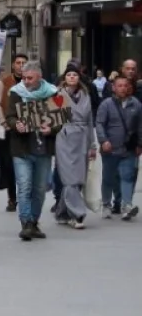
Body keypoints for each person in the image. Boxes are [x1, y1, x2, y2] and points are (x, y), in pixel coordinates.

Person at [5, 60, 64, 240]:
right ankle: (26, 223)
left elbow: (60, 119)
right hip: (22, 148)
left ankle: (34, 221)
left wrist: (51, 129)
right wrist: (16, 124)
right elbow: (10, 117)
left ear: (40, 77)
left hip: (43, 149)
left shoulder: (53, 93)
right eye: (24, 78)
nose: (26, 81)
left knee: (39, 188)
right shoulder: (16, 92)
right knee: (24, 186)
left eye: (30, 78)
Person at [52, 66, 96, 229]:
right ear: (64, 78)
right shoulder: (57, 94)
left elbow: (90, 120)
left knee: (78, 178)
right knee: (70, 178)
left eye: (75, 75)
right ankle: (77, 214)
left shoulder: (85, 95)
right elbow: (51, 118)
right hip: (65, 137)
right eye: (69, 74)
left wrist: (92, 144)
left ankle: (62, 213)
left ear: (79, 78)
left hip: (83, 138)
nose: (71, 77)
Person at [96, 74, 142, 221]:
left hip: (128, 148)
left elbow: (140, 126)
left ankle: (126, 205)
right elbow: (100, 123)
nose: (123, 88)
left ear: (129, 87)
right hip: (110, 148)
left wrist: (140, 144)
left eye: (125, 85)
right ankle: (106, 204)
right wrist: (103, 141)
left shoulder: (136, 104)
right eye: (119, 86)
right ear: (113, 88)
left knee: (127, 176)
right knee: (108, 177)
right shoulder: (106, 104)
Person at [0, 52, 28, 212]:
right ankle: (12, 198)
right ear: (13, 65)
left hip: (27, 129)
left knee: (25, 163)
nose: (21, 66)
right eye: (18, 63)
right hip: (9, 129)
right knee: (9, 165)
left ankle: (25, 196)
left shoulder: (31, 81)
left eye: (23, 63)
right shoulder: (5, 81)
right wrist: (4, 122)